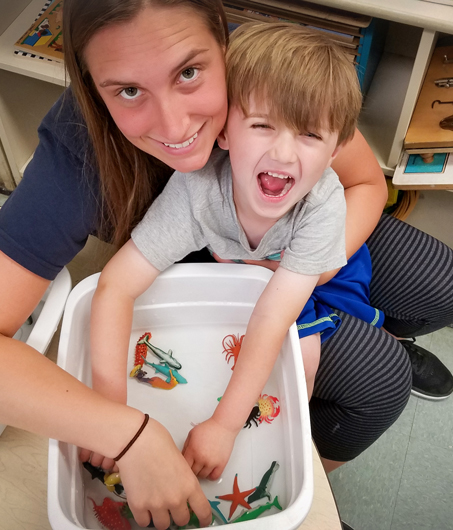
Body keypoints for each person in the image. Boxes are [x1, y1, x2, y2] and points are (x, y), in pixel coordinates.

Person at [0, 0, 453, 528]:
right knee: (379, 382)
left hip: (299, 244)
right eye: (130, 89)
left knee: (446, 288)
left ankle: (359, 360)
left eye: (189, 73)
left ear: (224, 42)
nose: (176, 122)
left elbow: (359, 180)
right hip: (226, 267)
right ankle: (335, 442)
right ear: (92, 89)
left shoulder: (271, 75)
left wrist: (310, 265)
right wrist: (120, 427)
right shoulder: (96, 160)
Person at [89, 21, 366, 481]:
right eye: (261, 125)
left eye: (310, 136)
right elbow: (116, 285)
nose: (283, 154)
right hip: (249, 270)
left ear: (335, 150)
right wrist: (108, 415)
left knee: (305, 363)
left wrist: (224, 424)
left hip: (318, 268)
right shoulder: (196, 192)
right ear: (223, 132)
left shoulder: (322, 205)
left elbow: (273, 318)